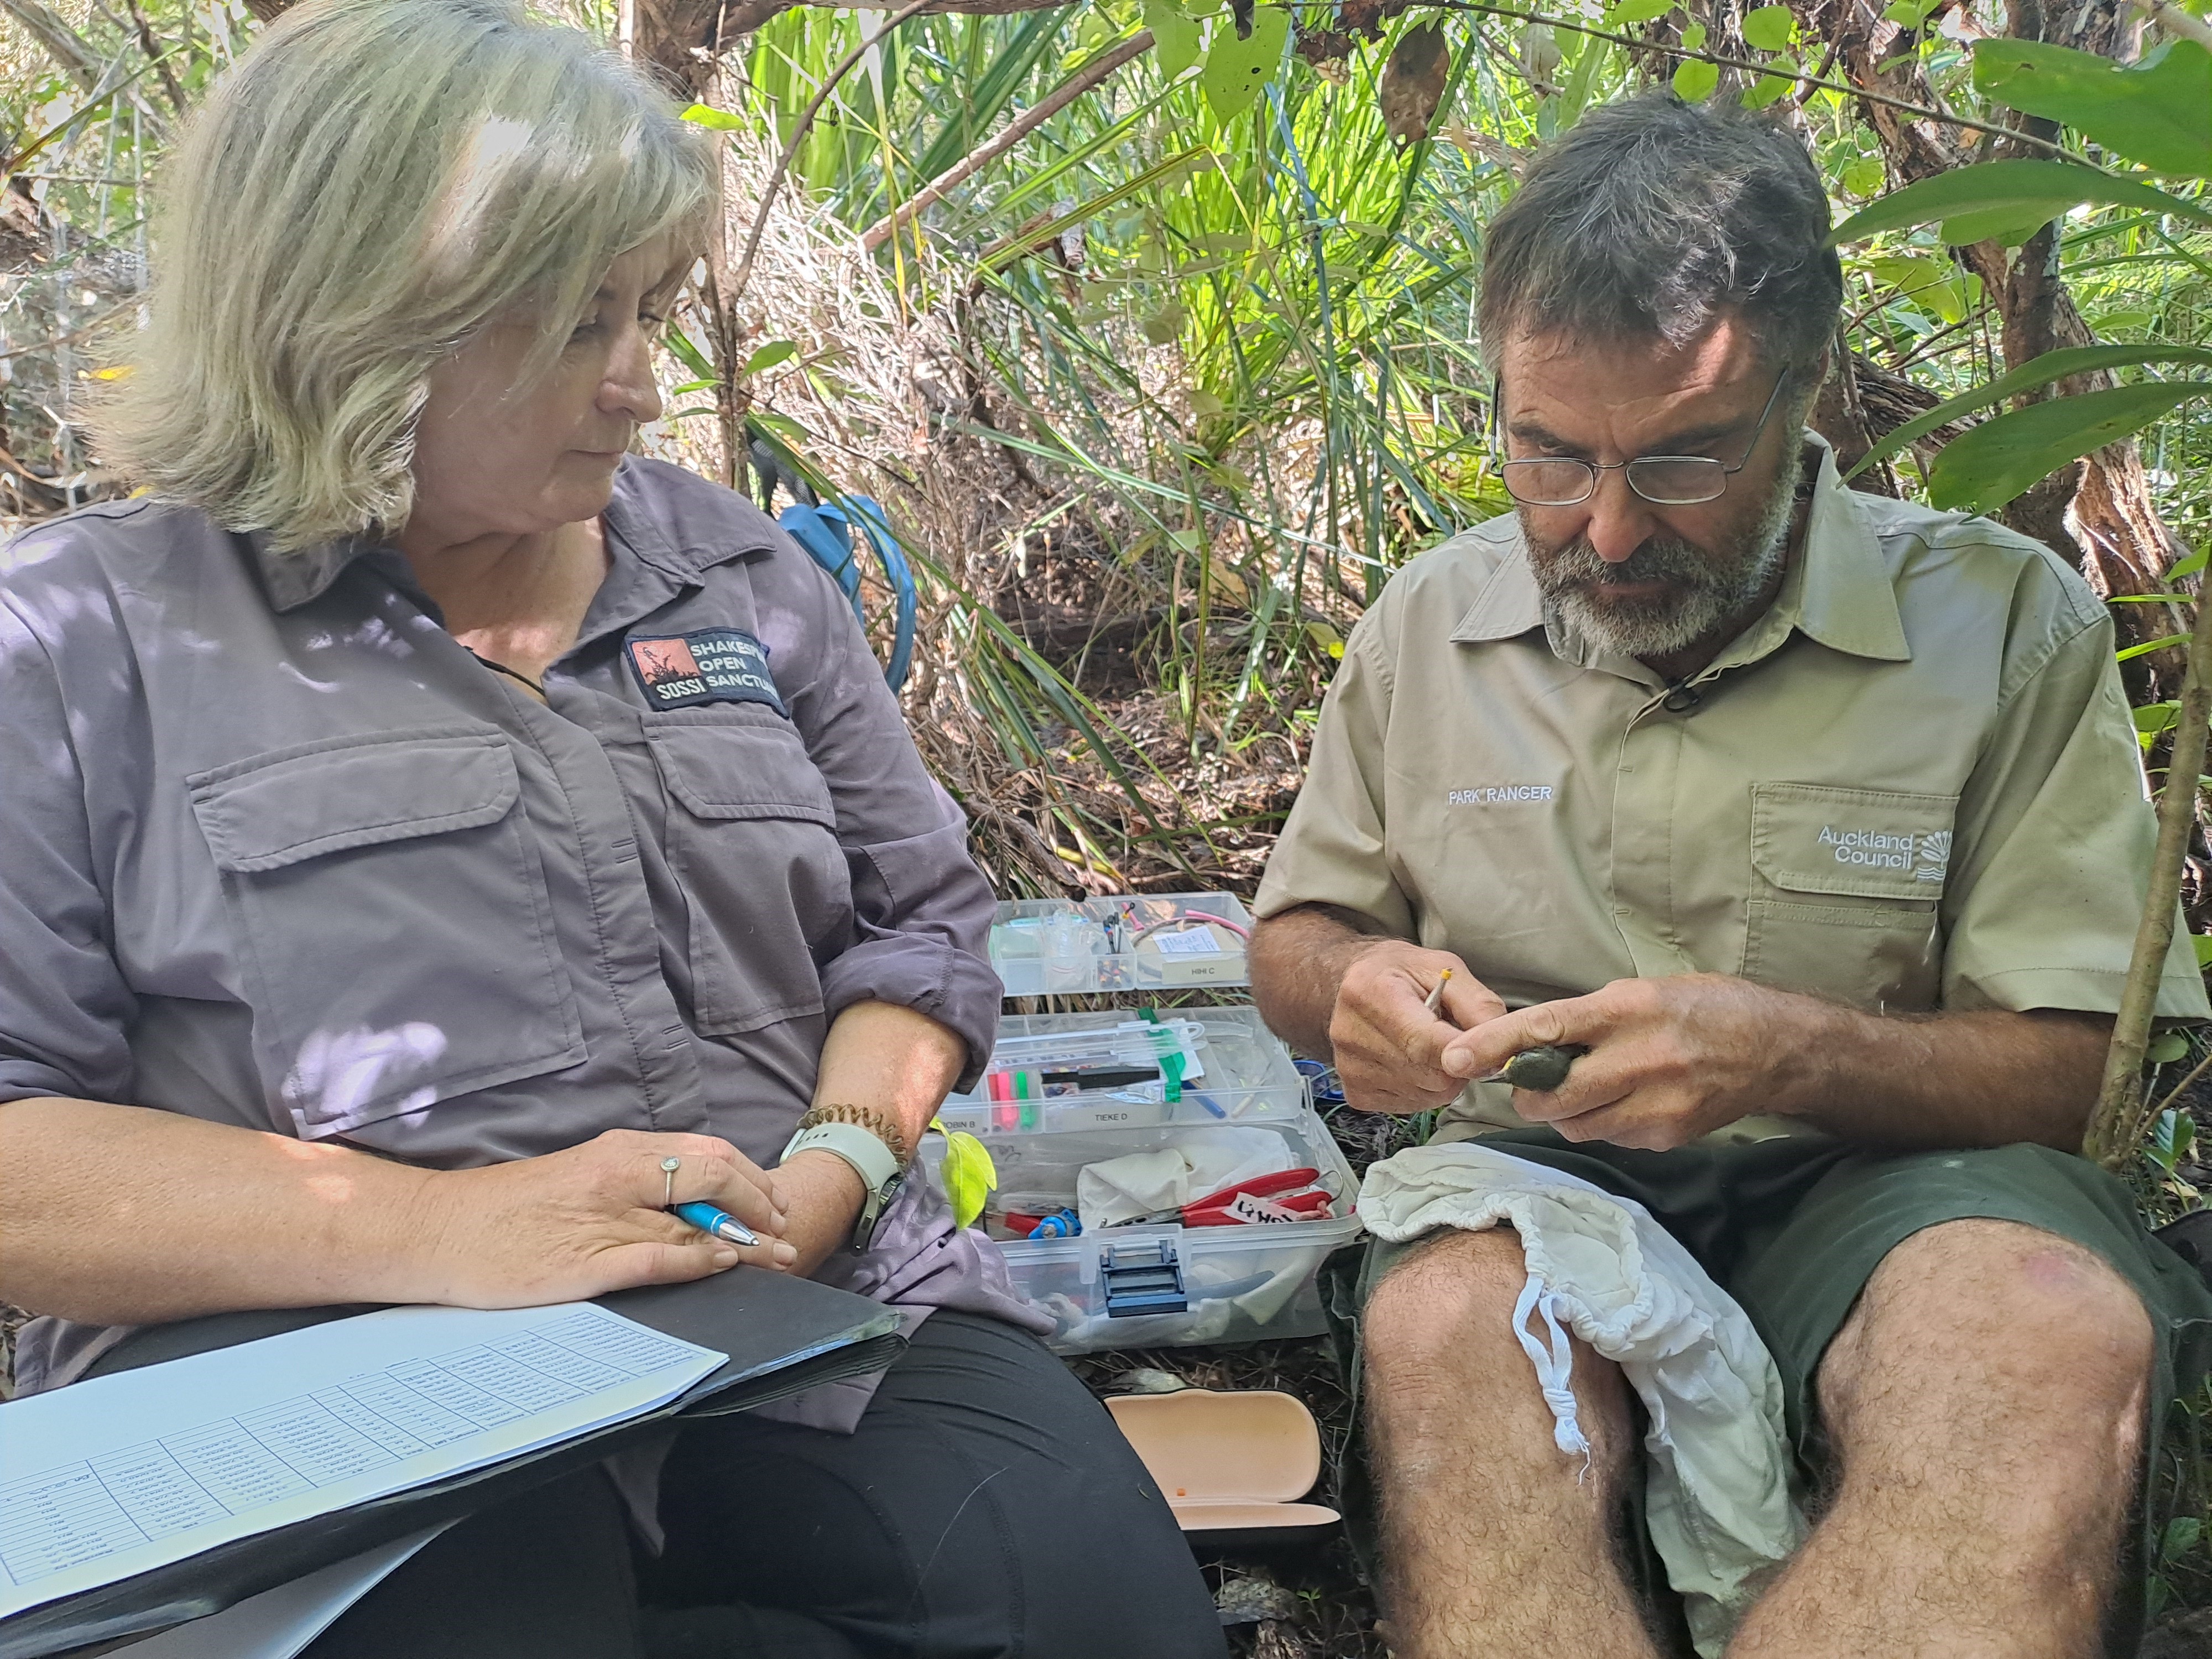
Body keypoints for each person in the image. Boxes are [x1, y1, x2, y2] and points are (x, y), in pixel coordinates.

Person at [0, 4, 1225, 1655]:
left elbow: (917, 933)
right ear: (360, 322)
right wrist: (447, 1232)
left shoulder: (734, 576)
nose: (642, 383)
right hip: (306, 1354)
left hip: (804, 1310)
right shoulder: (79, 649)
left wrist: (841, 1161)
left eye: (649, 310)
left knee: (1079, 1603)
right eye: (583, 324)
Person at [1248, 92, 2212, 1659]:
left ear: (1803, 394)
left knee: (2035, 1325)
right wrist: (1350, 988)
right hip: (1537, 1177)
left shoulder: (2003, 624)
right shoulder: (1432, 624)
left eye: (1687, 459)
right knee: (1447, 1340)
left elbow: (2077, 1073)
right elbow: (1301, 931)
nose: (1608, 530)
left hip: (1905, 1187)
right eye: (1548, 454)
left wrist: (1789, 1049)